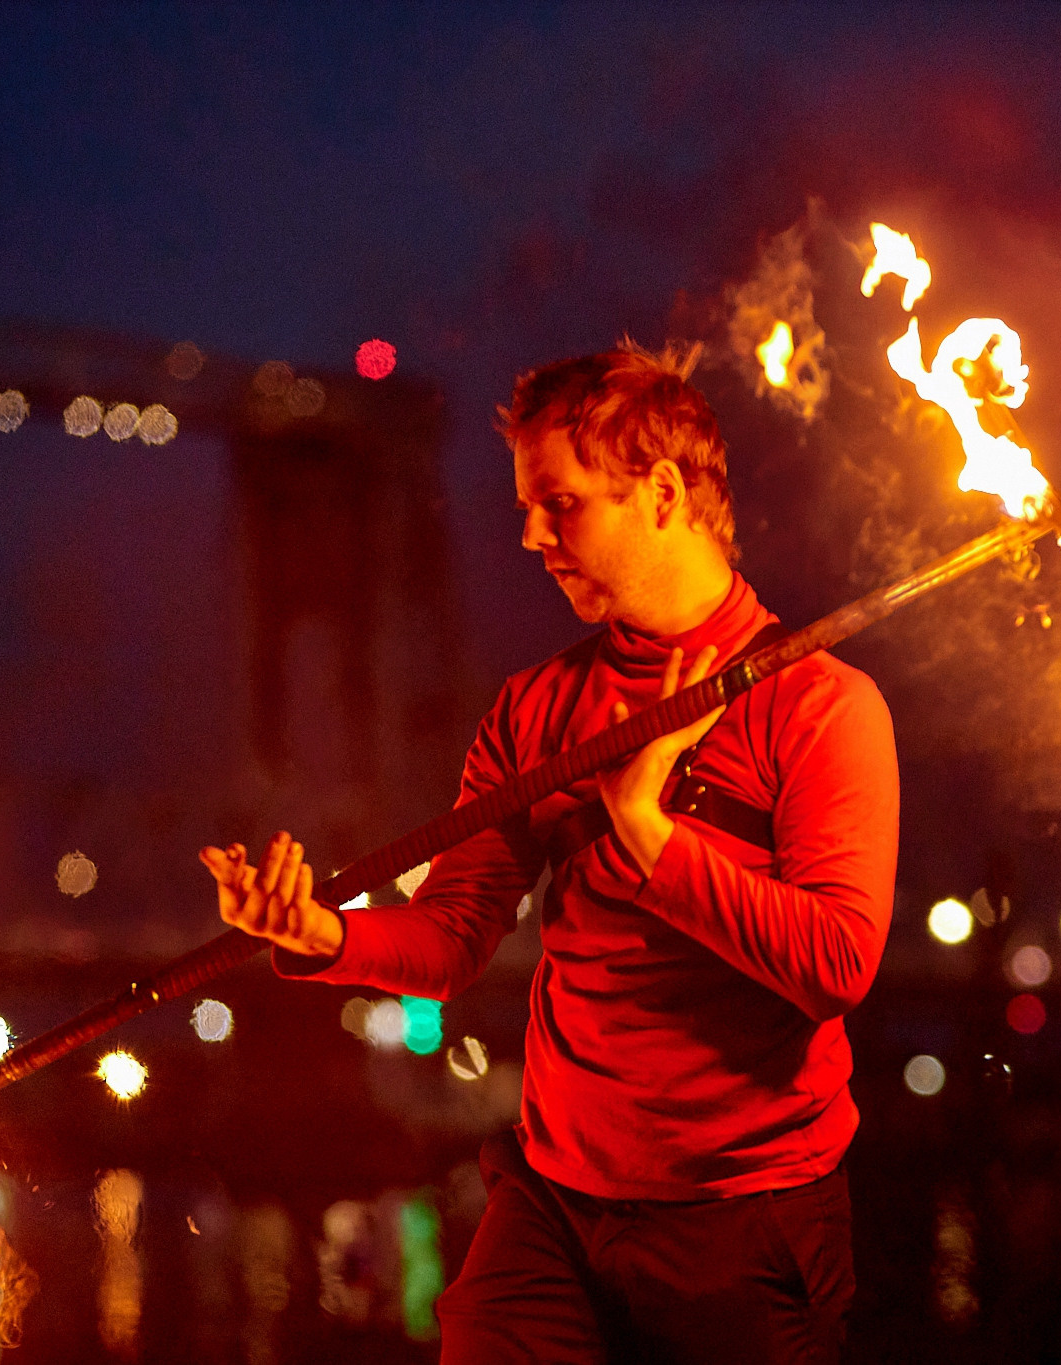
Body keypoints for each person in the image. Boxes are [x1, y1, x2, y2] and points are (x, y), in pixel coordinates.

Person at [204, 341, 900, 1363]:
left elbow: (835, 964)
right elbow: (449, 938)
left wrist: (648, 833)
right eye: (528, 506)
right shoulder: (537, 708)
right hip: (553, 1209)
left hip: (745, 1221)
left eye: (560, 503)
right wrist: (318, 933)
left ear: (660, 492)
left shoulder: (818, 706)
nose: (530, 535)